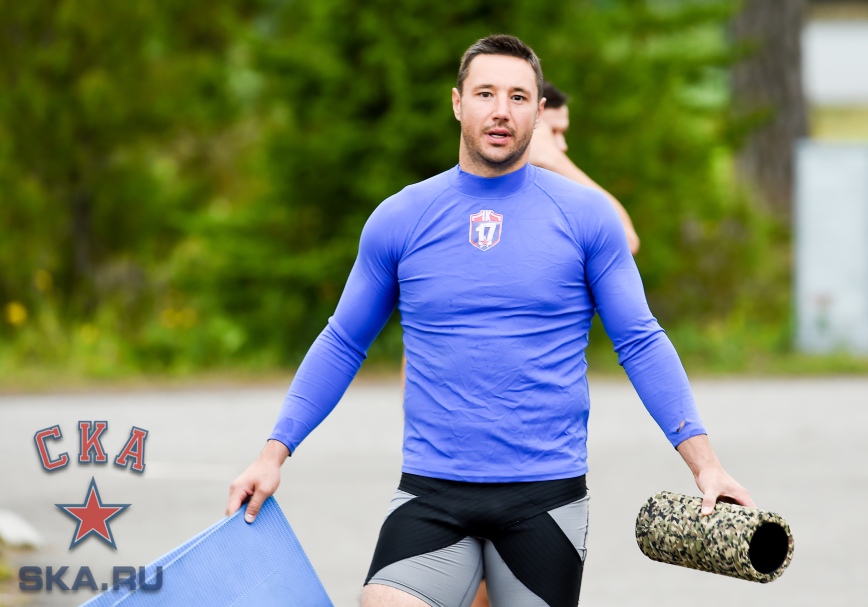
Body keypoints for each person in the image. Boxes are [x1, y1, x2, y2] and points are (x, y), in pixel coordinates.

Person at [226, 34, 754, 607]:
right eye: (485, 93)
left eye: (518, 97)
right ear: (458, 103)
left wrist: (705, 466)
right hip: (433, 492)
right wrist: (273, 454)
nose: (501, 110)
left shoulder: (586, 217)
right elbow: (342, 342)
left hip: (545, 498)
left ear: (538, 111)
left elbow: (640, 342)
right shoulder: (401, 217)